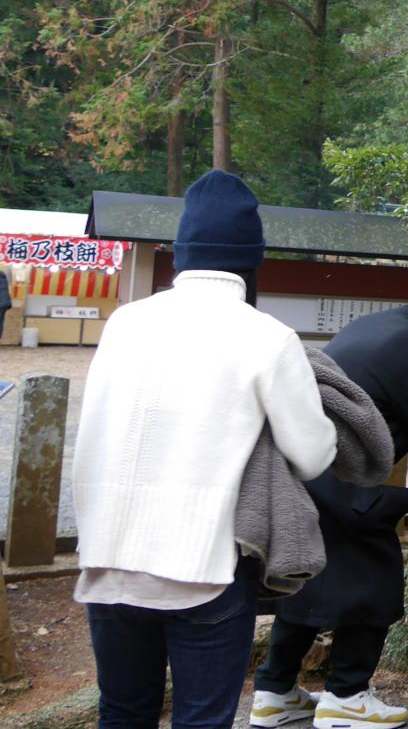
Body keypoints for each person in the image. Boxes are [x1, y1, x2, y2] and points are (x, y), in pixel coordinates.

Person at [72, 170, 338, 729]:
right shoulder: (267, 336)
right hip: (204, 567)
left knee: (122, 710)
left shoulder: (126, 322)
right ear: (251, 258)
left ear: (181, 250)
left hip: (108, 558)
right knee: (201, 719)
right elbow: (314, 455)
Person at [251, 264, 408, 729]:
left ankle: (274, 693)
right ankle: (347, 697)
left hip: (306, 469)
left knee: (310, 581)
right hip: (342, 481)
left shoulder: (383, 324)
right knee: (376, 579)